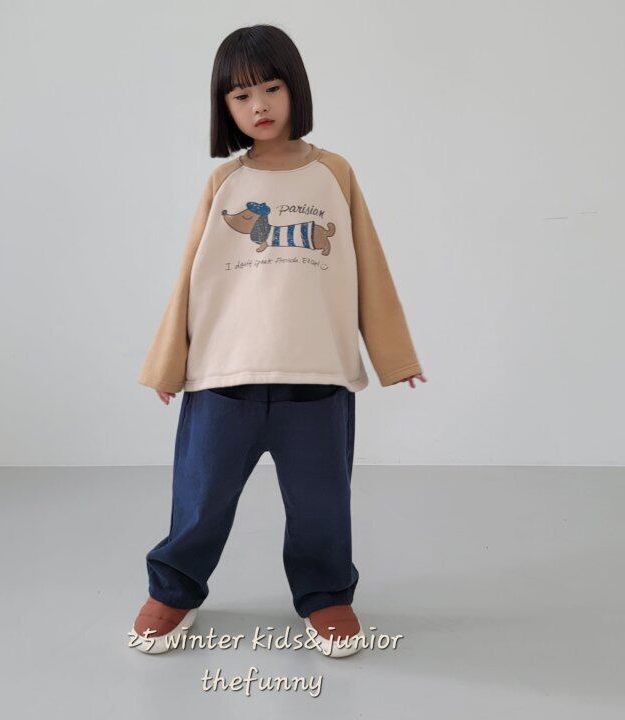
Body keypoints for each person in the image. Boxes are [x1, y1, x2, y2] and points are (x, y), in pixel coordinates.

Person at [127, 24, 427, 657]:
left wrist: (394, 356)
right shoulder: (224, 184)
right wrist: (168, 365)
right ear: (224, 106)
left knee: (321, 502)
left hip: (317, 375)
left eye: (270, 88)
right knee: (201, 496)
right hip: (225, 374)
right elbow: (188, 278)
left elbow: (370, 268)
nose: (259, 105)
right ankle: (175, 588)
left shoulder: (334, 174)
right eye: (241, 96)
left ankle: (326, 595)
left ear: (295, 89)